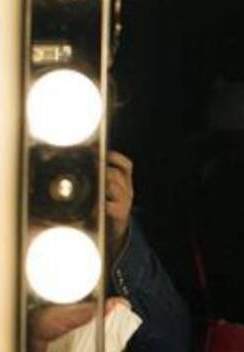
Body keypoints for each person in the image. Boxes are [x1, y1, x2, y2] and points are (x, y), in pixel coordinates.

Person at [29, 151, 192, 352]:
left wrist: (117, 240)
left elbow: (170, 339)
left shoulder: (108, 226)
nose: (61, 185)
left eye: (72, 168)